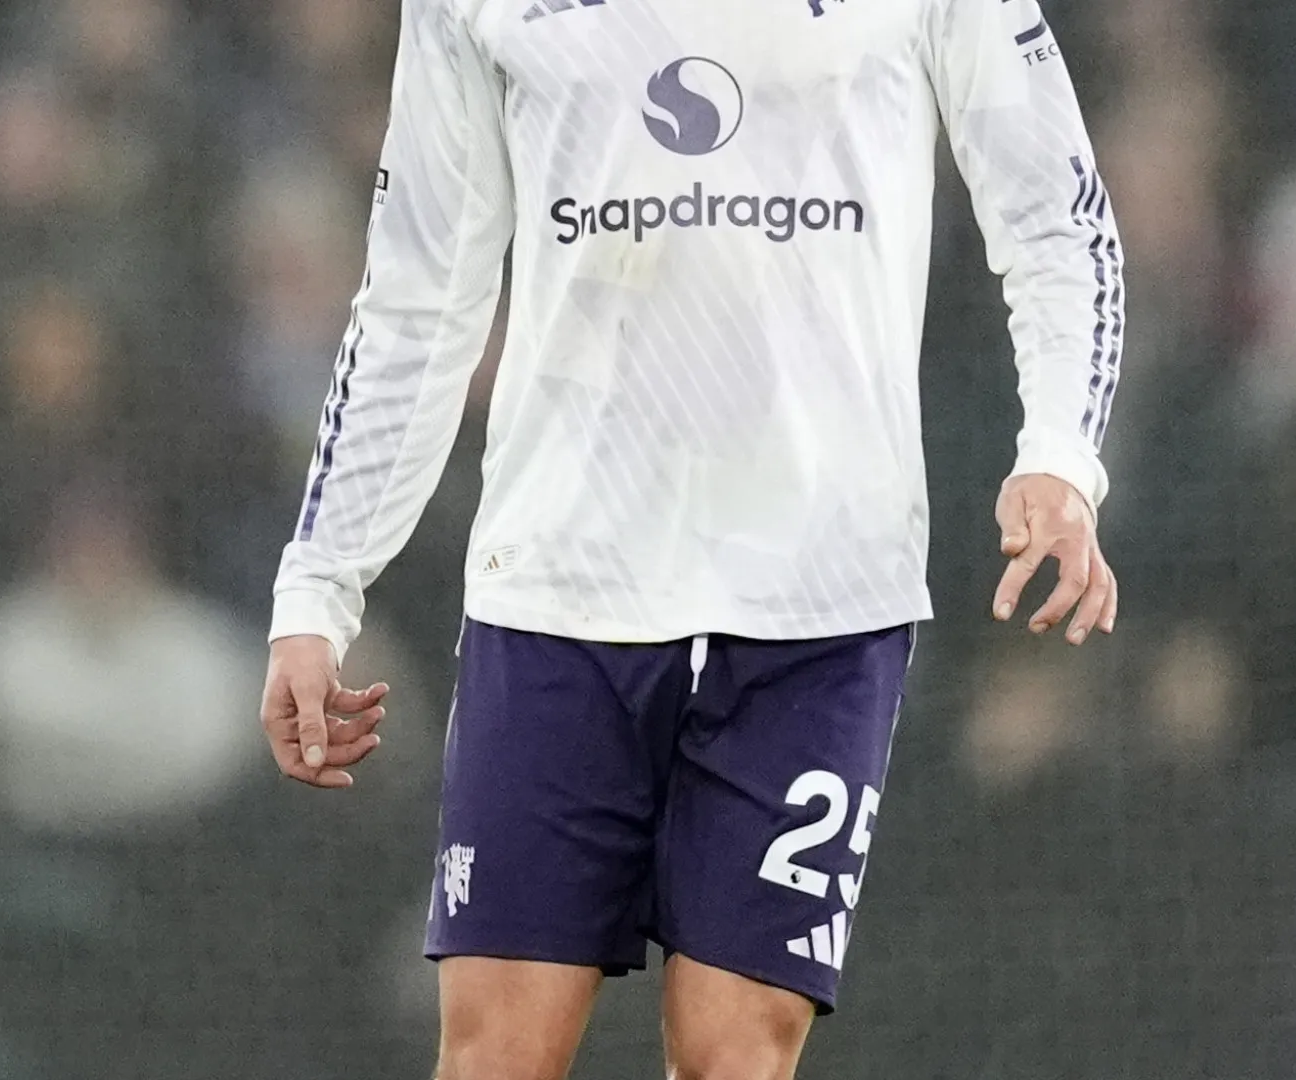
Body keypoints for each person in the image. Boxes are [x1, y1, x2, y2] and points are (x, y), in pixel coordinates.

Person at [256, 0, 1125, 1073]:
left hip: (817, 597)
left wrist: (1061, 453)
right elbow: (418, 294)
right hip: (560, 585)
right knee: (497, 1052)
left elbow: (1057, 215)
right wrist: (321, 582)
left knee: (735, 1051)